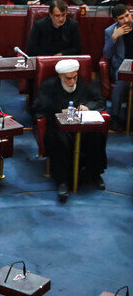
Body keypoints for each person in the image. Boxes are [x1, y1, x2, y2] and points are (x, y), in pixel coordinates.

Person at [31, 59, 107, 202]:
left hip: (82, 128)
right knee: (59, 140)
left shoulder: (83, 85)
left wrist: (87, 107)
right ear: (60, 76)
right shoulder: (48, 86)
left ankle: (94, 174)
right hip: (58, 128)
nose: (72, 82)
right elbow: (37, 107)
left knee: (96, 135)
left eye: (74, 77)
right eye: (68, 78)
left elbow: (100, 101)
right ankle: (62, 182)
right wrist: (59, 111)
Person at [103, 4, 132, 132]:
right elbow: (106, 55)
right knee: (122, 80)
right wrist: (114, 38)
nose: (126, 20)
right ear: (116, 20)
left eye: (127, 15)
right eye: (121, 18)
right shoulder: (110, 31)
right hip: (122, 66)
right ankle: (115, 116)